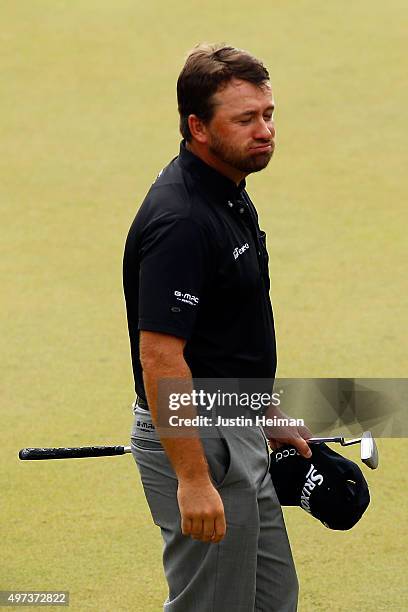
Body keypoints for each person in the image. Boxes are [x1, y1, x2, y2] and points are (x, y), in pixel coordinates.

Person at [123, 43, 311, 612]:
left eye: (269, 115)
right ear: (198, 127)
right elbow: (161, 357)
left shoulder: (228, 191)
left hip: (235, 422)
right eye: (246, 119)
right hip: (199, 438)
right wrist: (193, 478)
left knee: (272, 599)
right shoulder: (180, 219)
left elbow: (227, 333)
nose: (265, 131)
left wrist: (265, 415)